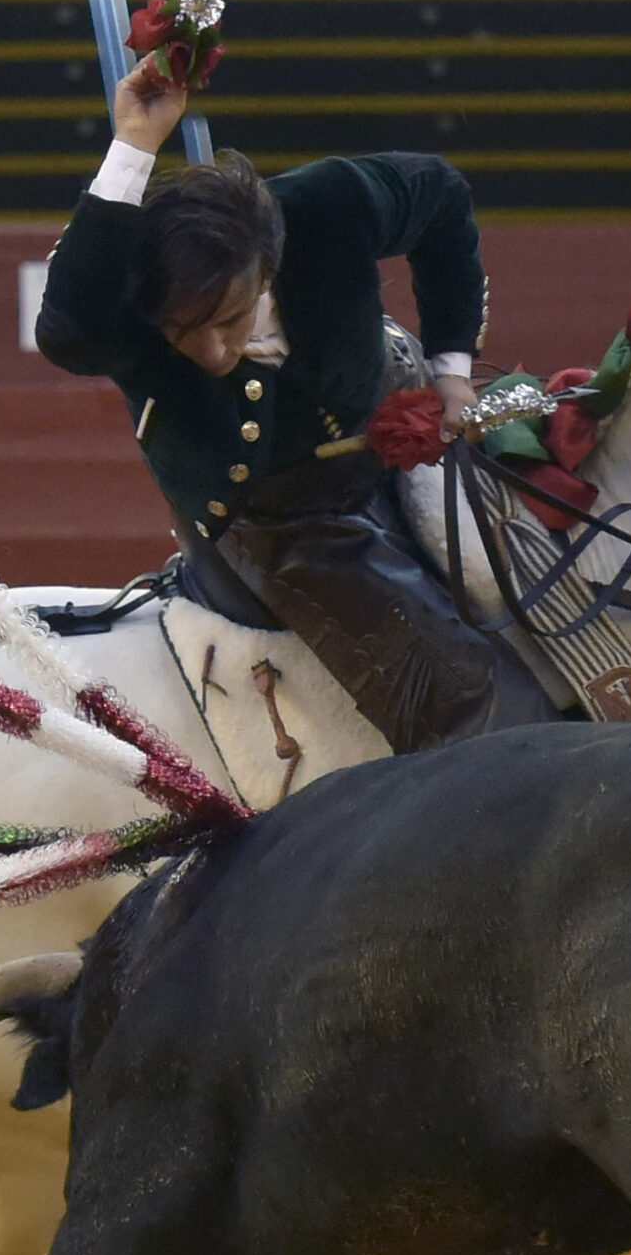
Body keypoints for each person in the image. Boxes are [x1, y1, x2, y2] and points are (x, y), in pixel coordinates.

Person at [34, 62, 546, 754]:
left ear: (269, 266)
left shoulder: (325, 206)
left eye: (230, 321)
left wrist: (452, 372)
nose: (214, 354)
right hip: (284, 516)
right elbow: (65, 328)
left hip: (399, 402)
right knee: (474, 706)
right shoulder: (128, 292)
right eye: (186, 333)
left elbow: (442, 198)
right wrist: (133, 144)